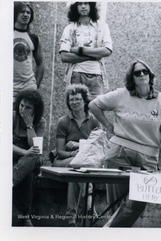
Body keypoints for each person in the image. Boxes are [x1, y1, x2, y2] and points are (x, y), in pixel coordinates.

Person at [89, 60, 161, 227]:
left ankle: (106, 233)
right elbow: (94, 105)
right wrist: (109, 126)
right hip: (119, 153)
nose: (141, 75)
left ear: (150, 75)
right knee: (117, 206)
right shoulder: (121, 94)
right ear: (131, 78)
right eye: (137, 73)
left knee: (137, 204)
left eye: (145, 71)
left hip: (148, 157)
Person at [53, 84, 101, 227]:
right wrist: (74, 153)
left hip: (85, 164)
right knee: (76, 163)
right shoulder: (63, 121)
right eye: (71, 100)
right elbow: (60, 152)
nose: (74, 102)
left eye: (77, 99)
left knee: (76, 173)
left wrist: (78, 144)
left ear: (85, 101)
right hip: (63, 161)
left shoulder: (94, 120)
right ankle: (89, 202)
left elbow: (99, 145)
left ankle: (71, 219)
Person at [59, 2, 113, 100]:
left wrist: (80, 50)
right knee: (77, 108)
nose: (83, 6)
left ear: (91, 5)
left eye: (86, 3)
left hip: (96, 75)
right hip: (76, 73)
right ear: (75, 6)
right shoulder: (70, 29)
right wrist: (92, 56)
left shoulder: (102, 27)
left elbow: (107, 51)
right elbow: (64, 56)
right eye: (80, 3)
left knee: (95, 107)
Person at [13, 89, 46, 226]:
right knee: (27, 175)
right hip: (14, 157)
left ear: (35, 109)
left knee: (33, 158)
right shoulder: (12, 117)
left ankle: (10, 181)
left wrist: (29, 125)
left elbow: (36, 148)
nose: (23, 109)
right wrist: (24, 152)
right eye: (21, 105)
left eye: (28, 107)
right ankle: (25, 216)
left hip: (30, 160)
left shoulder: (40, 122)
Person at [13, 2, 44, 103]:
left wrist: (36, 85)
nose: (26, 14)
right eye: (22, 12)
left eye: (28, 12)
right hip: (9, 85)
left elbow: (40, 64)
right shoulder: (4, 34)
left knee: (27, 117)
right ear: (15, 14)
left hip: (28, 85)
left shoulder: (34, 38)